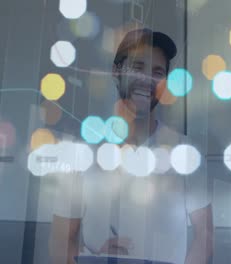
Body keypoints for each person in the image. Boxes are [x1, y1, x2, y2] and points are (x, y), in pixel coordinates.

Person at [49, 28, 213, 264]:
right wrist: (97, 259)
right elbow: (61, 240)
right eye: (137, 67)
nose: (147, 79)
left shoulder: (185, 154)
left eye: (157, 72)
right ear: (116, 72)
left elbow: (204, 237)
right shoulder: (82, 153)